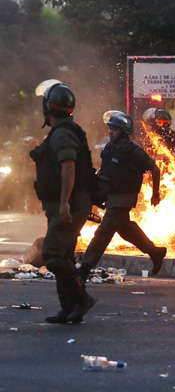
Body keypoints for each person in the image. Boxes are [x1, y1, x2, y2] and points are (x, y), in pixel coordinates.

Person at [29, 79, 96, 324]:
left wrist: (64, 203)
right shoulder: (63, 130)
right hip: (67, 204)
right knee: (63, 256)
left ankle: (81, 299)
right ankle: (68, 309)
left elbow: (69, 167)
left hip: (70, 206)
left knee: (52, 254)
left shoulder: (63, 133)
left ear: (49, 108)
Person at [77, 113, 167, 282]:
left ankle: (84, 269)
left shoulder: (134, 151)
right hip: (111, 195)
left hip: (124, 197)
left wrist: (155, 194)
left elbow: (155, 169)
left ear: (125, 131)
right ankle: (155, 252)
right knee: (125, 229)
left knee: (103, 232)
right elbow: (104, 171)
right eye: (110, 128)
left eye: (115, 129)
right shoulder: (110, 148)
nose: (111, 132)